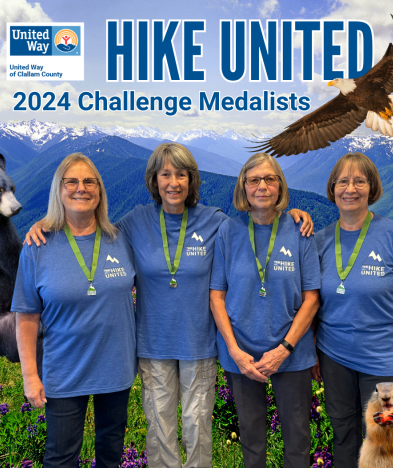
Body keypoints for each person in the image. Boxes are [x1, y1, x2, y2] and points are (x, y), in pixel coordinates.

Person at [25, 143, 314, 468]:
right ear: (154, 180)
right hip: (153, 346)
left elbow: (256, 223)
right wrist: (47, 224)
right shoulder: (135, 222)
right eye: (165, 174)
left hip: (199, 345)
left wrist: (291, 215)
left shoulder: (214, 222)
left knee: (198, 432)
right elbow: (92, 232)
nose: (173, 182)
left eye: (181, 174)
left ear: (191, 181)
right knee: (160, 436)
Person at [12, 153, 136, 468]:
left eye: (89, 181)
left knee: (111, 453)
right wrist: (29, 375)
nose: (81, 188)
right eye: (72, 182)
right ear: (59, 190)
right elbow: (26, 316)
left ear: (100, 191)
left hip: (116, 370)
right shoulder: (37, 247)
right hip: (65, 372)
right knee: (61, 457)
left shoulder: (122, 239)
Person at [312, 152, 393, 468]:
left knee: (386, 440)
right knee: (343, 434)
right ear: (332, 188)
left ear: (371, 187)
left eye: (359, 181)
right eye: (343, 181)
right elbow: (312, 302)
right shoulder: (320, 240)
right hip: (334, 359)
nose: (350, 188)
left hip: (384, 361)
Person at [209, 152, 321, 468]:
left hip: (292, 354)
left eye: (270, 179)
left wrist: (284, 350)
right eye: (254, 179)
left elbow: (311, 298)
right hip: (241, 355)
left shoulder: (300, 230)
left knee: (298, 442)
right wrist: (233, 350)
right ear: (244, 187)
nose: (262, 186)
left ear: (280, 186)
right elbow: (216, 296)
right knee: (252, 442)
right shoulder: (228, 232)